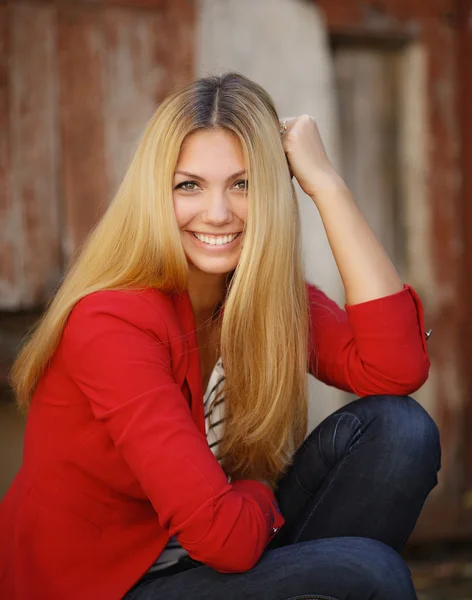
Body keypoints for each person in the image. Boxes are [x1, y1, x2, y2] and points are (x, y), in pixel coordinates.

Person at [0, 72, 440, 600]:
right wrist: (258, 484)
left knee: (400, 431)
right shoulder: (112, 322)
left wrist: (327, 185)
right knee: (371, 574)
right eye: (189, 185)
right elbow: (226, 541)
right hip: (112, 584)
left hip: (223, 547)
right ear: (154, 195)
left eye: (243, 183)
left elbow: (395, 369)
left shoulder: (260, 295)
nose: (217, 213)